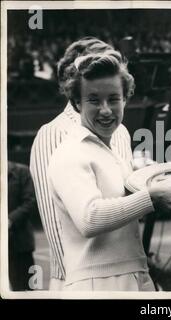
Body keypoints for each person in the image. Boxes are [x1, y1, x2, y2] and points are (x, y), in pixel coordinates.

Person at [47, 48, 171, 291]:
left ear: (125, 98)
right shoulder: (69, 153)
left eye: (114, 99)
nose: (106, 110)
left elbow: (133, 190)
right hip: (96, 286)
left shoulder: (111, 151)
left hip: (133, 275)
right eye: (94, 100)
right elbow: (90, 218)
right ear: (77, 103)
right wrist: (152, 198)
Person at [29, 38, 133, 290]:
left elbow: (122, 200)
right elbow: (56, 221)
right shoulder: (51, 133)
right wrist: (74, 282)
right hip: (76, 279)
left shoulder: (120, 131)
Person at [8, 161, 37, 291]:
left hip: (20, 243)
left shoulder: (21, 172)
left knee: (26, 289)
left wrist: (9, 219)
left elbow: (30, 201)